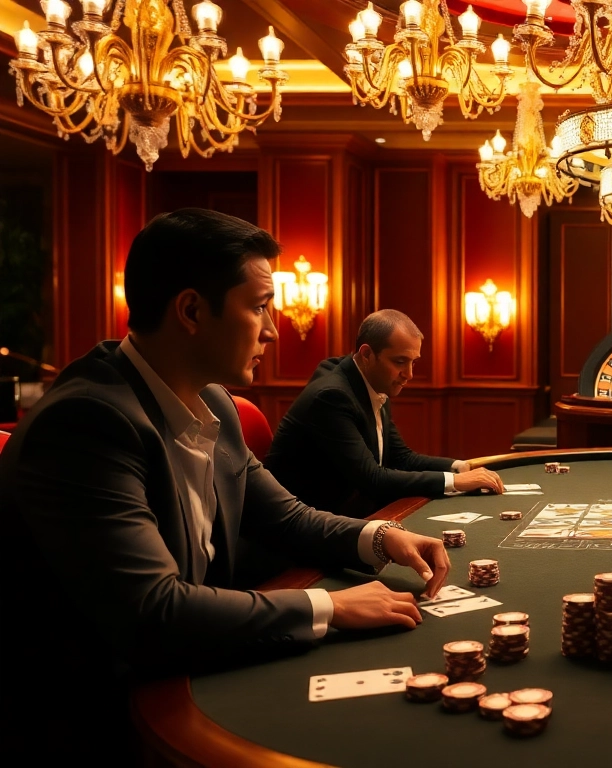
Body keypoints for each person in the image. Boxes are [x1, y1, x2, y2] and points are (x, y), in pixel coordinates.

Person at [0, 209, 450, 758]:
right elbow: (154, 612)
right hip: (97, 718)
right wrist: (329, 606)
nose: (272, 329)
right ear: (191, 310)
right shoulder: (87, 423)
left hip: (183, 670)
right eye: (259, 306)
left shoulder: (212, 398)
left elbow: (285, 516)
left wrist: (380, 537)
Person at [266, 310, 504, 518]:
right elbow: (372, 479)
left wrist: (460, 467)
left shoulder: (372, 383)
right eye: (400, 362)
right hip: (301, 529)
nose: (409, 374)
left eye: (413, 362)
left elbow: (402, 458)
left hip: (344, 514)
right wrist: (455, 482)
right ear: (367, 354)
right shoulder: (332, 397)